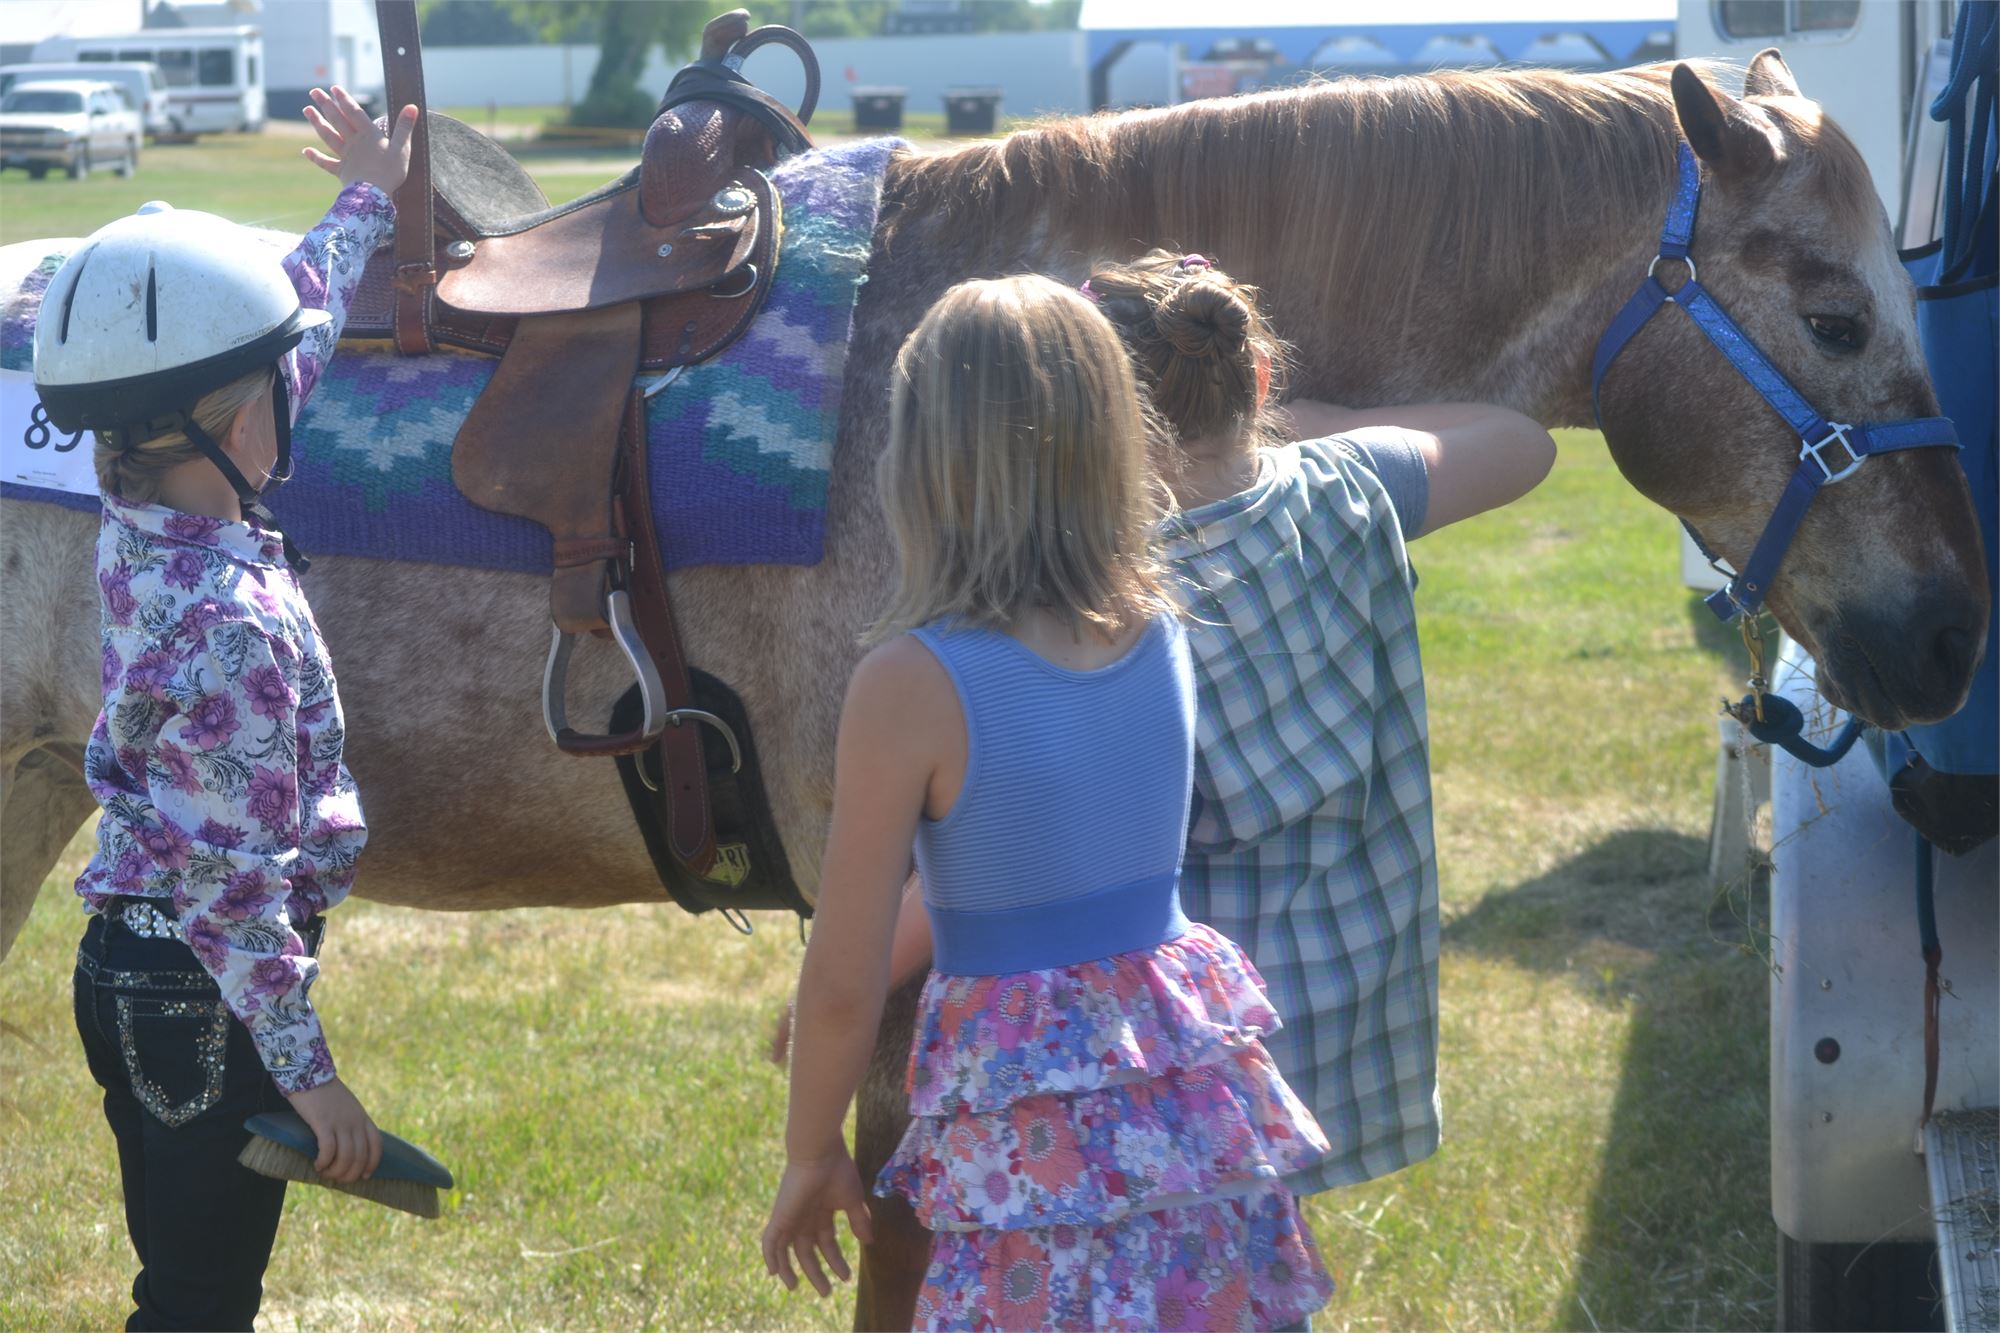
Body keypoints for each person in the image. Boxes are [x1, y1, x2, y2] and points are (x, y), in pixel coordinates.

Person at [761, 274, 1336, 1331]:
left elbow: (842, 979)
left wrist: (811, 1153)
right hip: (1176, 1084)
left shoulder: (910, 680)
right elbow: (1039, 868)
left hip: (1033, 1127)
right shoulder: (1156, 629)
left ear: (920, 460)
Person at [34, 87, 415, 1332]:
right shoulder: (233, 629)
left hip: (128, 972)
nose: (291, 384)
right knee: (198, 1306)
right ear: (243, 413)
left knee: (176, 1288)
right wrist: (317, 1086)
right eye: (273, 381)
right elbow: (231, 889)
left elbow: (281, 330)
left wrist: (369, 195)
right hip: (199, 994)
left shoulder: (147, 501)